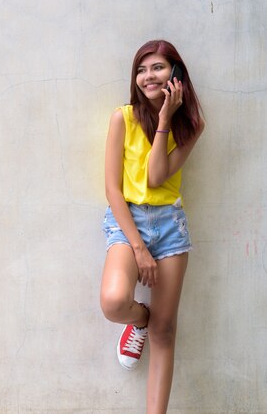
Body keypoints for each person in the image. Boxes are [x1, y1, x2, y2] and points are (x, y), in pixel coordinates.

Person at [99, 40, 205, 413]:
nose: (148, 77)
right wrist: (140, 249)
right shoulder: (122, 117)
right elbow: (113, 188)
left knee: (166, 331)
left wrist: (163, 122)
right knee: (114, 302)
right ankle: (139, 320)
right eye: (141, 70)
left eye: (157, 67)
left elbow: (157, 175)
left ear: (176, 74)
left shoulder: (191, 124)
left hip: (171, 226)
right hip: (127, 220)